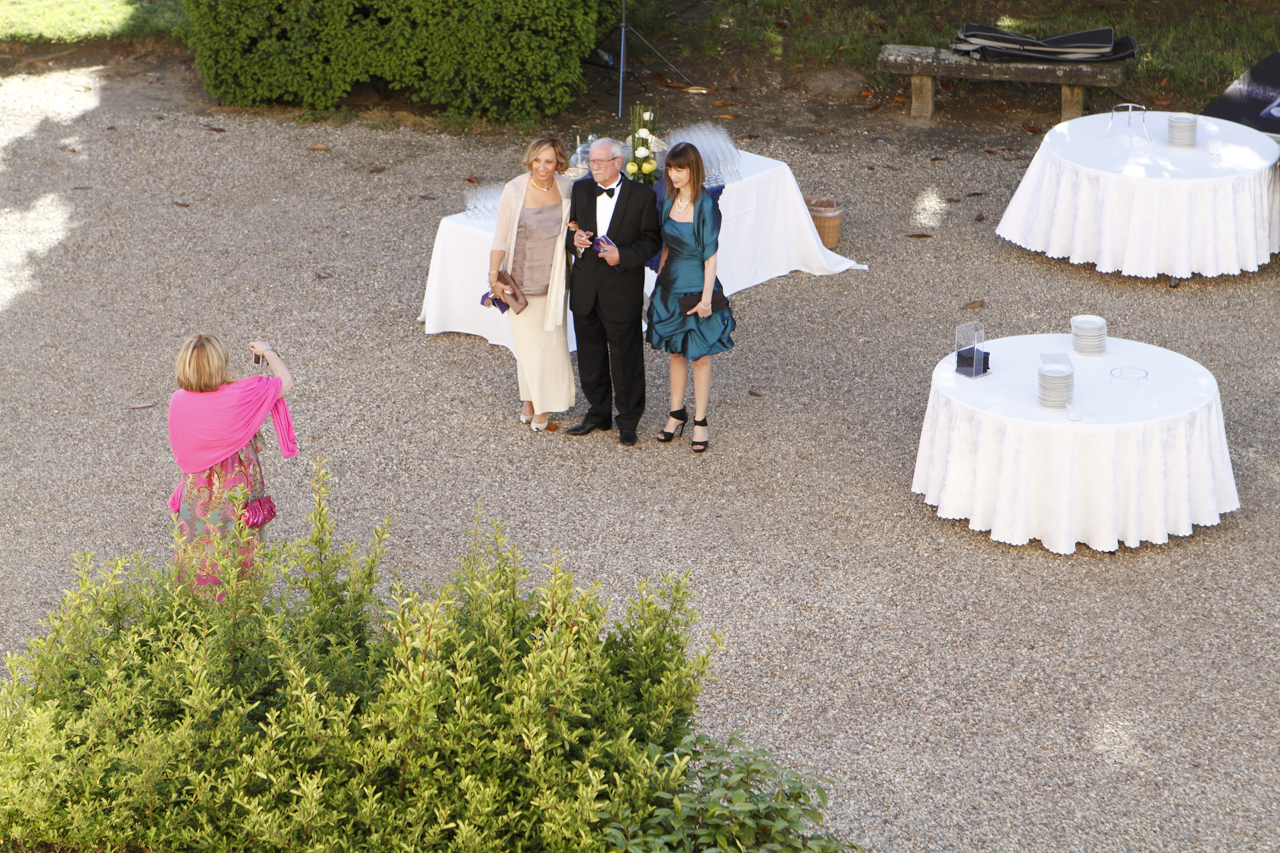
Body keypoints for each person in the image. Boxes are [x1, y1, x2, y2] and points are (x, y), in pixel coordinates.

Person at [166, 334, 297, 584]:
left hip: (195, 495)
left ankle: (195, 607)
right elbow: (285, 381)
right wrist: (267, 351)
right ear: (221, 364)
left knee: (198, 559)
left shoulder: (178, 401)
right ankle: (240, 606)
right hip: (236, 495)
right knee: (239, 560)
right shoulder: (242, 394)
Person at [564, 137, 662, 446]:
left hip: (621, 290)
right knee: (589, 356)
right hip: (585, 288)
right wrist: (575, 241)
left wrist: (623, 255)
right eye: (590, 161)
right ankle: (598, 413)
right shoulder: (581, 189)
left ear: (618, 162)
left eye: (598, 161)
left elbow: (652, 241)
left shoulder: (642, 196)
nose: (592, 166)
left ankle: (628, 420)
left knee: (625, 358)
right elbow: (570, 233)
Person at [647, 142, 736, 453]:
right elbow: (666, 246)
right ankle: (676, 414)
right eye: (670, 168)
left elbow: (711, 257)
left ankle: (700, 420)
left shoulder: (706, 206)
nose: (673, 174)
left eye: (679, 169)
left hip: (698, 288)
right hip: (670, 285)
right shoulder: (667, 200)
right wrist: (658, 284)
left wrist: (707, 300)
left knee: (699, 356)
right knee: (675, 352)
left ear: (693, 170)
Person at [489, 135, 576, 430]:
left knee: (550, 346)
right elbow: (500, 238)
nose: (542, 167)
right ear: (530, 160)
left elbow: (574, 229)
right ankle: (539, 405)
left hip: (555, 282)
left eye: (549, 161)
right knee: (528, 347)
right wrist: (493, 278)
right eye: (537, 160)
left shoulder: (567, 188)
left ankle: (532, 402)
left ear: (559, 162)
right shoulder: (514, 189)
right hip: (520, 283)